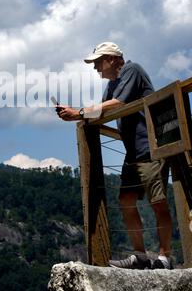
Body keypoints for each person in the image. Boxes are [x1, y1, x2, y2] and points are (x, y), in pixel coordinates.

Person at [57, 41, 173, 270]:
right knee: (126, 201)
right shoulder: (111, 85)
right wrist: (74, 113)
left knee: (158, 202)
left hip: (150, 147)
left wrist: (78, 112)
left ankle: (164, 258)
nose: (95, 68)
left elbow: (117, 104)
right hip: (133, 151)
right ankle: (140, 256)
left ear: (111, 59)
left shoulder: (132, 70)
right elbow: (100, 112)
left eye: (98, 62)